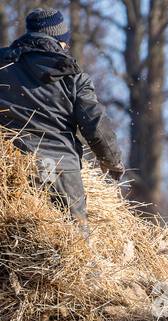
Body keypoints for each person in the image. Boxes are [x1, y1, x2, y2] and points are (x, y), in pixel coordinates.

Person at [0, 9, 124, 223]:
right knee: (73, 246)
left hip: (9, 169)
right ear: (60, 41)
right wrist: (112, 162)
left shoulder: (3, 65)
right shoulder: (73, 75)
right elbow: (95, 126)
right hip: (58, 168)